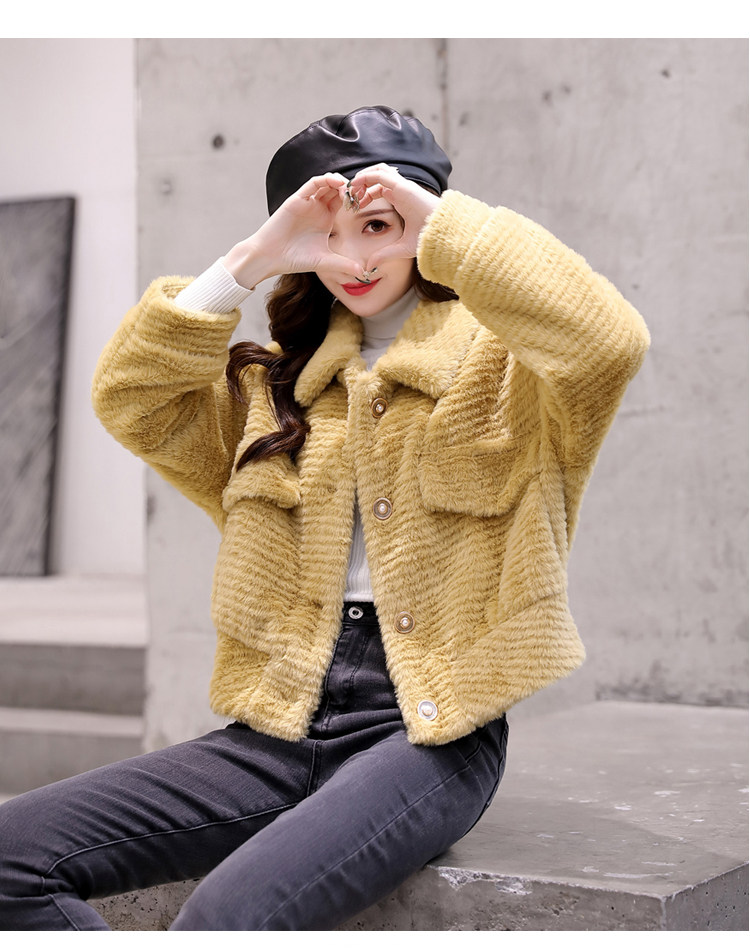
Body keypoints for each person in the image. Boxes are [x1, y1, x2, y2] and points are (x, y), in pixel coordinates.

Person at [0, 105, 650, 931]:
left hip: (429, 735)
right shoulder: (272, 391)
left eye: (380, 225)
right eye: (328, 235)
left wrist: (444, 223)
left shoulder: (512, 372)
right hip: (279, 725)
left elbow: (609, 341)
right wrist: (253, 259)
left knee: (223, 921)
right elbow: (130, 399)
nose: (357, 258)